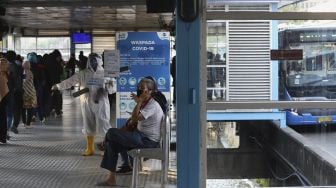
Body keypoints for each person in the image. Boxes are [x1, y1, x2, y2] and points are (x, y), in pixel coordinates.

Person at [97, 77, 164, 186]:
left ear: (150, 91)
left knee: (111, 132)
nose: (139, 90)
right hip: (140, 136)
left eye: (142, 89)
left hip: (148, 142)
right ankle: (111, 179)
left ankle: (104, 143)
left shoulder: (152, 105)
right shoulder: (147, 103)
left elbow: (135, 118)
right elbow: (135, 117)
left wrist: (139, 102)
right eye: (139, 88)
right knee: (112, 144)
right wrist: (140, 102)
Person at [53, 53, 112, 156]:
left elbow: (113, 85)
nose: (93, 62)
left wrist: (107, 88)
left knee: (104, 124)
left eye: (95, 60)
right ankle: (90, 148)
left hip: (101, 102)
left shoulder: (106, 73)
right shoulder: (83, 73)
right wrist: (58, 86)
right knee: (88, 123)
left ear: (99, 61)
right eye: (91, 60)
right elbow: (70, 81)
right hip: (86, 101)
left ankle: (106, 148)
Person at [21, 61, 37, 127]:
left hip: (24, 92)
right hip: (30, 92)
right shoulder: (30, 72)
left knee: (23, 108)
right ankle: (28, 123)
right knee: (30, 109)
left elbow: (24, 80)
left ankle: (24, 122)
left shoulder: (23, 72)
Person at [0, 58, 9, 143]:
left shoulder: (3, 75)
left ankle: (2, 137)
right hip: (5, 100)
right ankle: (3, 137)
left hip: (3, 100)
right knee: (3, 118)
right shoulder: (6, 74)